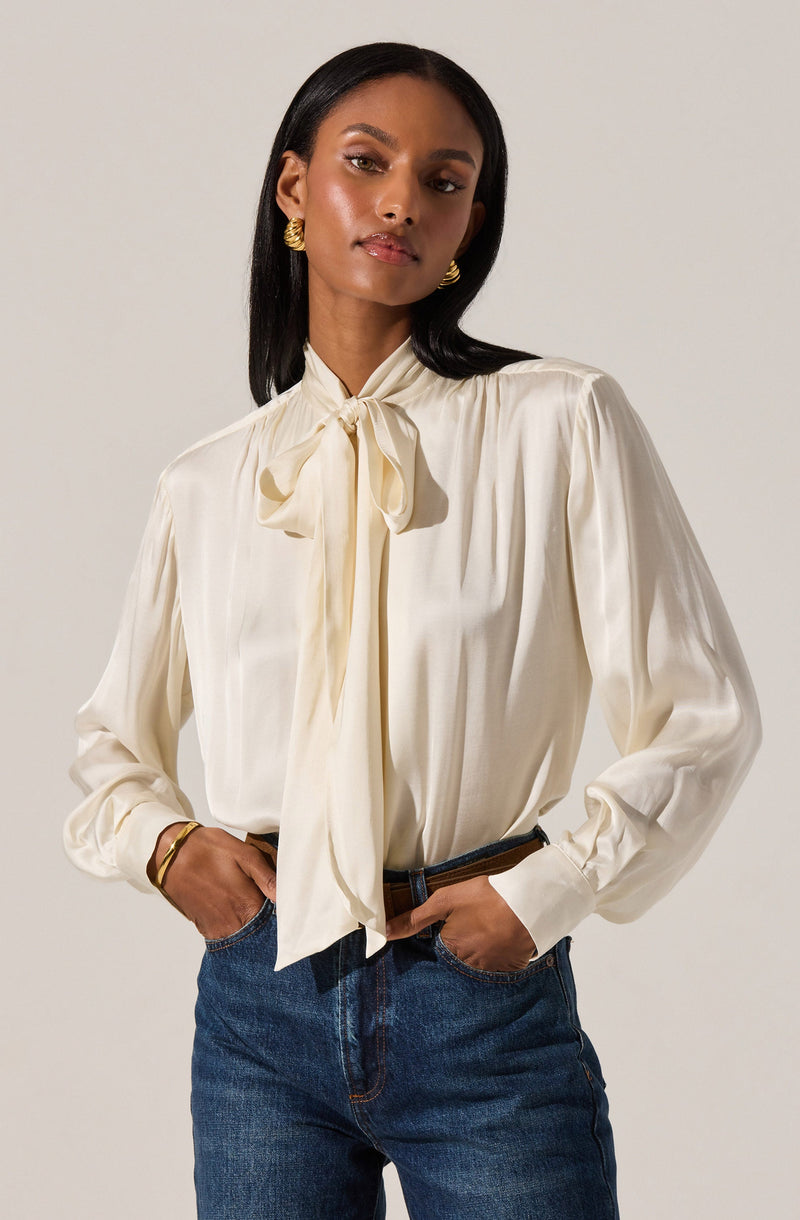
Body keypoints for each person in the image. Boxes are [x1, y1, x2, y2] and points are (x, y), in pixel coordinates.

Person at [63, 41, 762, 1220]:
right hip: (258, 1015)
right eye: (364, 162)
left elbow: (703, 714)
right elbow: (106, 743)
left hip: (476, 996)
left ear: (470, 221)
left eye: (444, 180)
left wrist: (545, 890)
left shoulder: (558, 421)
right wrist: (167, 847)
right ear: (295, 191)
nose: (400, 200)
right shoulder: (209, 481)